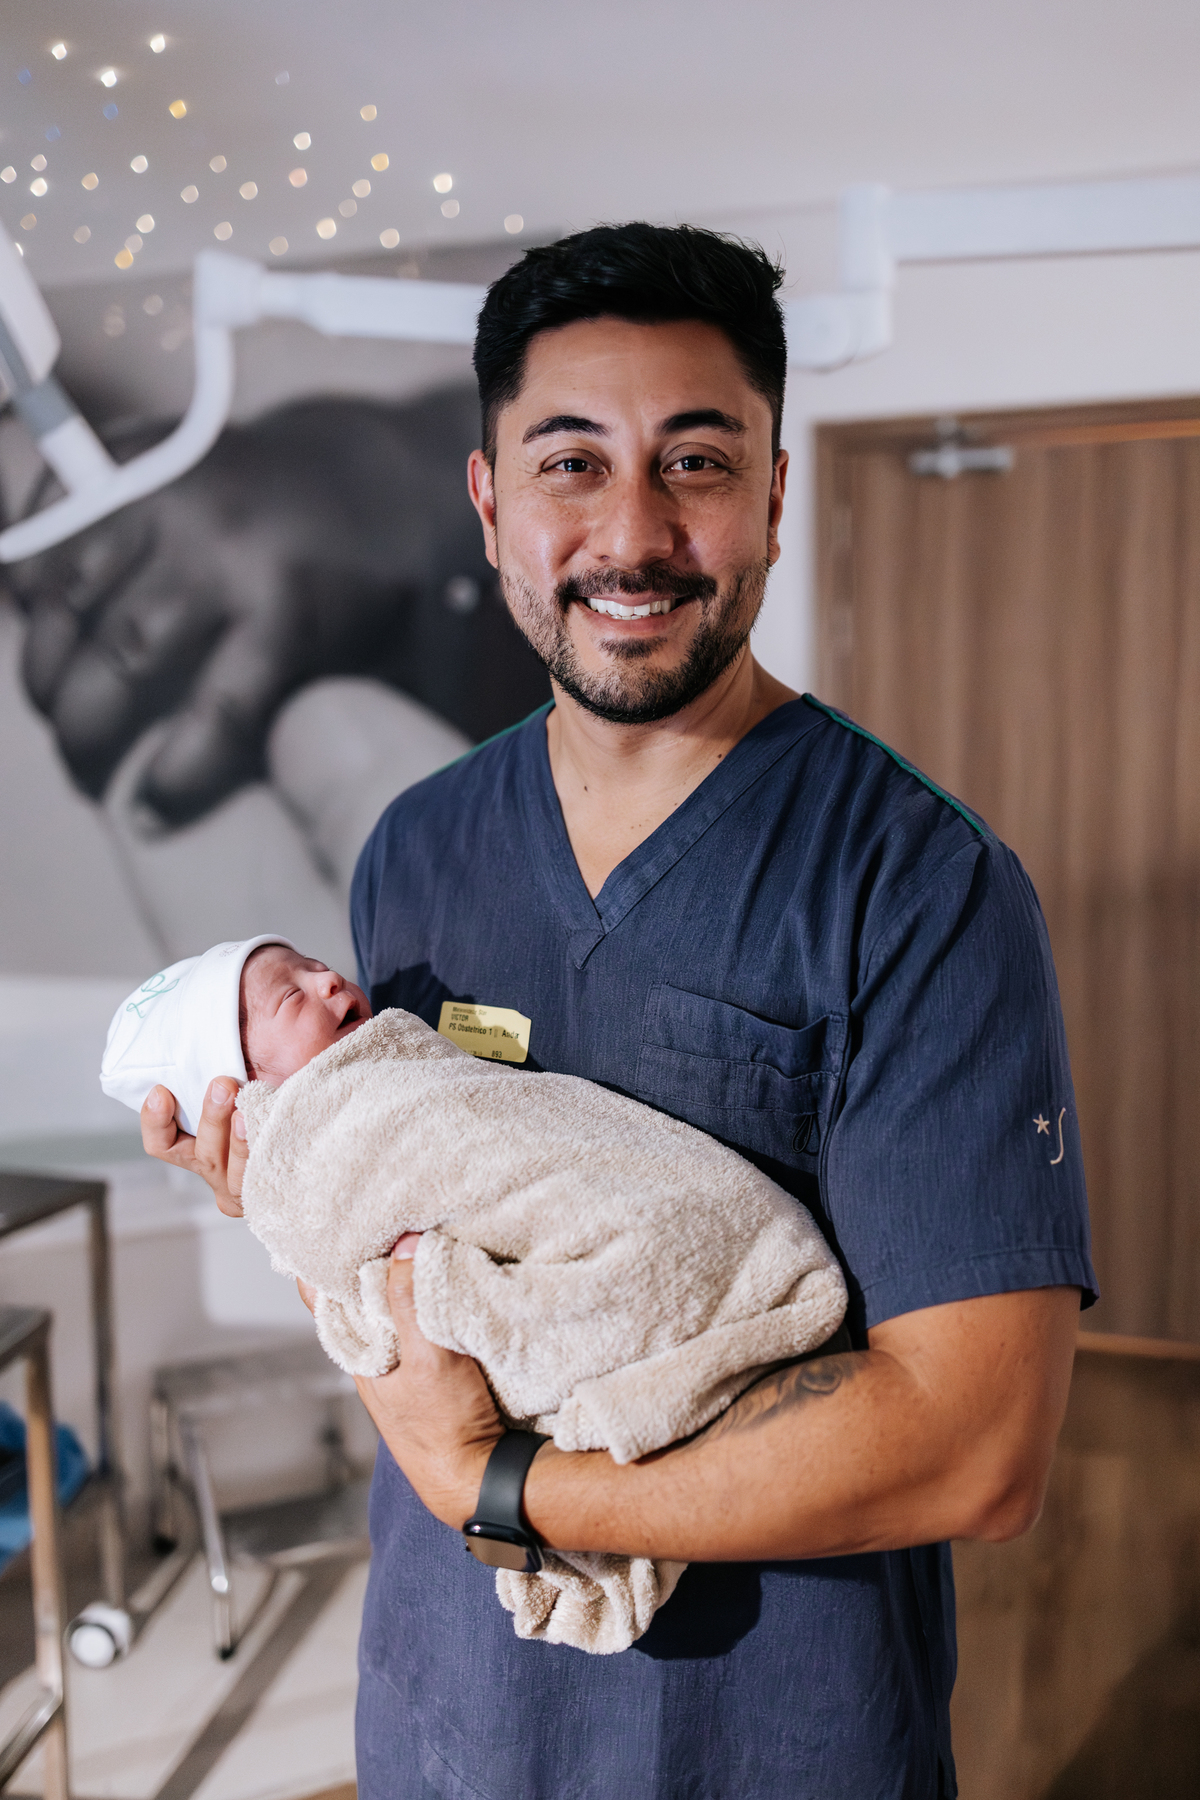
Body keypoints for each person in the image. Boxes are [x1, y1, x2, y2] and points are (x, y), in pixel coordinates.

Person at [142, 223, 1096, 1799]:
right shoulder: (416, 853)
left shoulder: (920, 887)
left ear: (773, 496)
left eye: (696, 464)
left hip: (770, 1740)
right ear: (490, 504)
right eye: (571, 465)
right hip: (446, 1713)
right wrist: (286, 1199)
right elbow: (407, 1235)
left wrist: (498, 1483)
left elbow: (977, 1448)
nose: (634, 535)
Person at [104, 935, 844, 1654]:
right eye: (291, 996)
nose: (328, 982)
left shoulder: (400, 1059)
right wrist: (277, 1195)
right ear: (241, 1097)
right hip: (455, 1597)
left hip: (765, 1532)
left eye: (317, 966)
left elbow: (508, 1128)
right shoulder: (333, 1126)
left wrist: (466, 1475)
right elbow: (353, 1268)